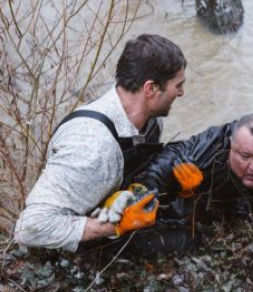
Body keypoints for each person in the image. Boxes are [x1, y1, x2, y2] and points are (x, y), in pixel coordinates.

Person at [15, 34, 198, 255]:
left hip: (114, 203)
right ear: (150, 89)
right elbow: (30, 228)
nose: (181, 92)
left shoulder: (151, 118)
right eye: (177, 85)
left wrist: (180, 191)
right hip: (77, 242)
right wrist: (116, 226)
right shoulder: (92, 148)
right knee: (186, 242)